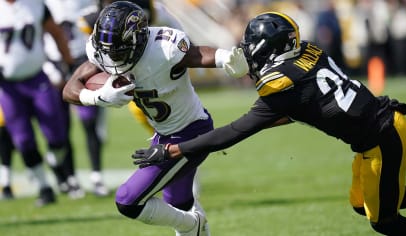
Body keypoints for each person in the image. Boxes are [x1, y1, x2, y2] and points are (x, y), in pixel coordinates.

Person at [132, 12, 406, 235]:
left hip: (382, 139)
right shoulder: (308, 51)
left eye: (255, 48)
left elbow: (234, 132)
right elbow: (309, 105)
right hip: (385, 128)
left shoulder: (282, 85)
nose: (251, 53)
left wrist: (173, 150)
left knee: (383, 222)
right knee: (363, 202)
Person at [62, 1, 247, 235]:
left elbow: (196, 54)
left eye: (117, 51)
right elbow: (69, 88)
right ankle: (193, 225)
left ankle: (193, 224)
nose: (111, 58)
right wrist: (96, 97)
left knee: (128, 200)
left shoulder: (164, 48)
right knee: (180, 204)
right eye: (107, 50)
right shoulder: (103, 48)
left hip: (191, 131)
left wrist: (226, 57)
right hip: (164, 133)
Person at [0, 0, 77, 206]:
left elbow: (56, 33)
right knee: (23, 140)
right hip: (7, 86)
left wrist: (69, 65)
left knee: (57, 135)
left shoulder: (35, 4)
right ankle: (44, 188)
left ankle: (54, 162)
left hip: (37, 79)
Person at [43, 0, 106, 197]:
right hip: (54, 62)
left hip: (84, 60)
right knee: (62, 127)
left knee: (89, 122)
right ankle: (69, 178)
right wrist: (47, 65)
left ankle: (96, 175)